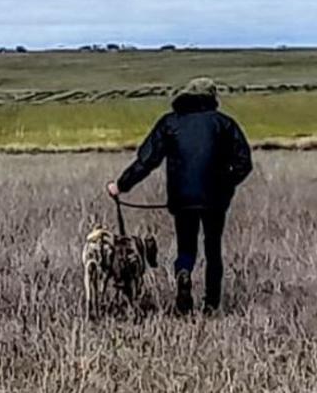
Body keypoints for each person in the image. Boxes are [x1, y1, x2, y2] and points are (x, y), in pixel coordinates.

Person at [106, 77, 252, 314]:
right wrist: (226, 183)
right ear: (212, 97)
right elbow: (244, 162)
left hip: (182, 198)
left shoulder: (169, 123)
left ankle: (183, 273)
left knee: (186, 246)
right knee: (213, 249)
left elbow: (147, 160)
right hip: (215, 199)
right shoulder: (225, 124)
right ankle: (211, 305)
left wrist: (121, 185)